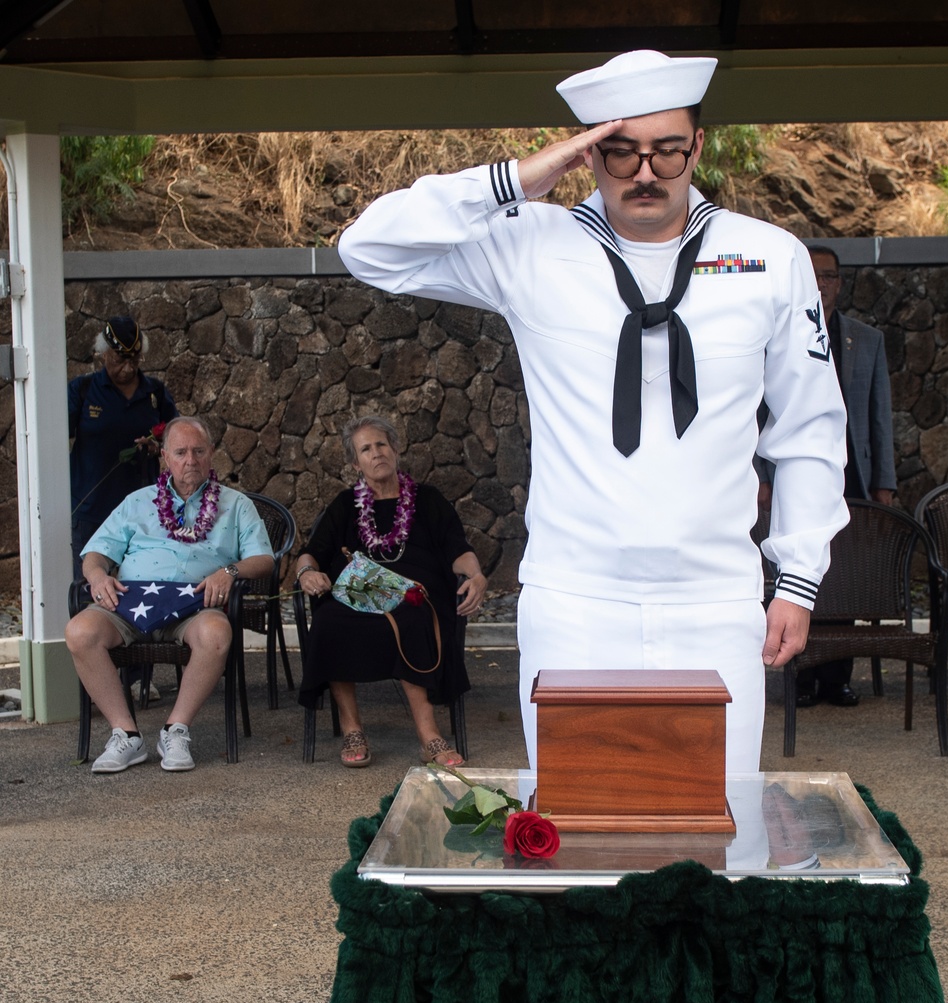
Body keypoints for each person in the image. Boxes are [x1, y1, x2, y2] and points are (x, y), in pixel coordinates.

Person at [338, 49, 849, 773]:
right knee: (575, 824)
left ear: (698, 146)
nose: (645, 172)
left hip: (713, 598)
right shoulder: (531, 246)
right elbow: (367, 248)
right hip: (575, 598)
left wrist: (798, 577)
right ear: (587, 153)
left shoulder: (768, 256)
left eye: (668, 151)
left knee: (716, 823)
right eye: (620, 151)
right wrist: (516, 180)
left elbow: (810, 427)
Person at [65, 417, 273, 773]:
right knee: (80, 632)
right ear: (165, 458)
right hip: (131, 600)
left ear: (211, 455)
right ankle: (126, 735)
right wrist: (97, 575)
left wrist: (230, 571)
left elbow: (264, 559)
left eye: (198, 451)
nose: (190, 459)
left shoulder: (236, 505)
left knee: (216, 633)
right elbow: (96, 553)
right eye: (180, 452)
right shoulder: (138, 501)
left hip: (195, 604)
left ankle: (175, 730)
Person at [295, 415, 487, 768]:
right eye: (366, 449)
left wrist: (476, 575)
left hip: (417, 597)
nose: (376, 453)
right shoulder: (344, 505)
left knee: (410, 615)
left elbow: (456, 548)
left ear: (396, 450)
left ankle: (429, 735)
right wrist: (307, 572)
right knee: (327, 621)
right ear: (356, 463)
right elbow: (312, 552)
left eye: (382, 444)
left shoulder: (427, 500)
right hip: (360, 597)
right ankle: (352, 728)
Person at [794, 244, 897, 709]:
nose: (821, 282)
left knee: (847, 573)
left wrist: (885, 484)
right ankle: (803, 677)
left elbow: (880, 416)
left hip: (853, 474)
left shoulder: (865, 339)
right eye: (813, 274)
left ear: (839, 282)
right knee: (802, 571)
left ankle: (838, 678)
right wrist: (763, 477)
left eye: (829, 275)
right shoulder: (786, 331)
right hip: (796, 474)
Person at [69, 315, 178, 574]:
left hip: (143, 510)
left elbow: (176, 434)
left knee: (141, 582)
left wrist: (157, 445)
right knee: (89, 585)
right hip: (91, 508)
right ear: (103, 355)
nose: (128, 368)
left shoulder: (155, 392)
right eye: (120, 360)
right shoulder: (83, 390)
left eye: (134, 360)